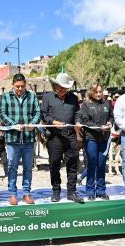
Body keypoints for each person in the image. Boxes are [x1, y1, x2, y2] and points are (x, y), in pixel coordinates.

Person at [41, 71, 84, 203]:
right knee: (54, 164)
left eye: (65, 88)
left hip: (70, 135)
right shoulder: (48, 97)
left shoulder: (73, 98)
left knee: (72, 164)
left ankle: (71, 192)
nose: (62, 90)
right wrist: (53, 123)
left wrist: (77, 122)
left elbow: (77, 113)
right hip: (54, 136)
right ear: (55, 86)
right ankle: (56, 191)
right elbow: (43, 115)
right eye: (60, 88)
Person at [0, 73, 41, 205]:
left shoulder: (32, 96)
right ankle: (12, 194)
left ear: (25, 84)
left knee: (28, 167)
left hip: (29, 138)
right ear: (12, 85)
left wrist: (31, 124)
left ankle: (26, 193)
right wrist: (13, 124)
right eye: (17, 86)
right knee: (12, 167)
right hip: (12, 138)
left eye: (22, 86)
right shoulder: (5, 97)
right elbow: (2, 113)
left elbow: (37, 113)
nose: (20, 89)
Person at [78, 84, 114, 201]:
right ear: (91, 92)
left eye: (100, 91)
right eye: (96, 92)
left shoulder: (107, 104)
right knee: (92, 164)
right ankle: (90, 191)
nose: (99, 94)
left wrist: (109, 122)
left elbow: (112, 117)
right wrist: (99, 127)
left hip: (104, 139)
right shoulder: (86, 105)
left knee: (102, 164)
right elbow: (85, 121)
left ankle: (101, 191)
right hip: (91, 139)